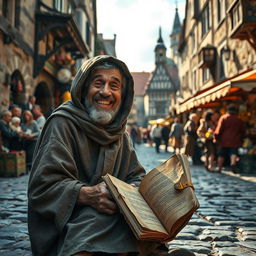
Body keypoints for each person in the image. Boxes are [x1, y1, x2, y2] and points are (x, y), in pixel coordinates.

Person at [27, 56, 195, 256]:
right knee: (95, 223)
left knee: (133, 226)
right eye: (98, 83)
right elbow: (43, 186)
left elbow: (136, 175)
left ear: (123, 96)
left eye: (114, 86)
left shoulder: (119, 133)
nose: (105, 92)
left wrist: (134, 191)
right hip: (70, 220)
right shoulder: (63, 123)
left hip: (113, 214)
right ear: (83, 88)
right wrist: (88, 195)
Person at [214, 104, 245, 172]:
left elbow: (219, 129)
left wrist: (216, 138)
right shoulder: (238, 119)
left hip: (224, 140)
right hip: (235, 139)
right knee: (233, 153)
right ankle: (233, 163)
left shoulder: (224, 118)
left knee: (221, 154)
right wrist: (241, 139)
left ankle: (219, 168)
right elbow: (242, 130)